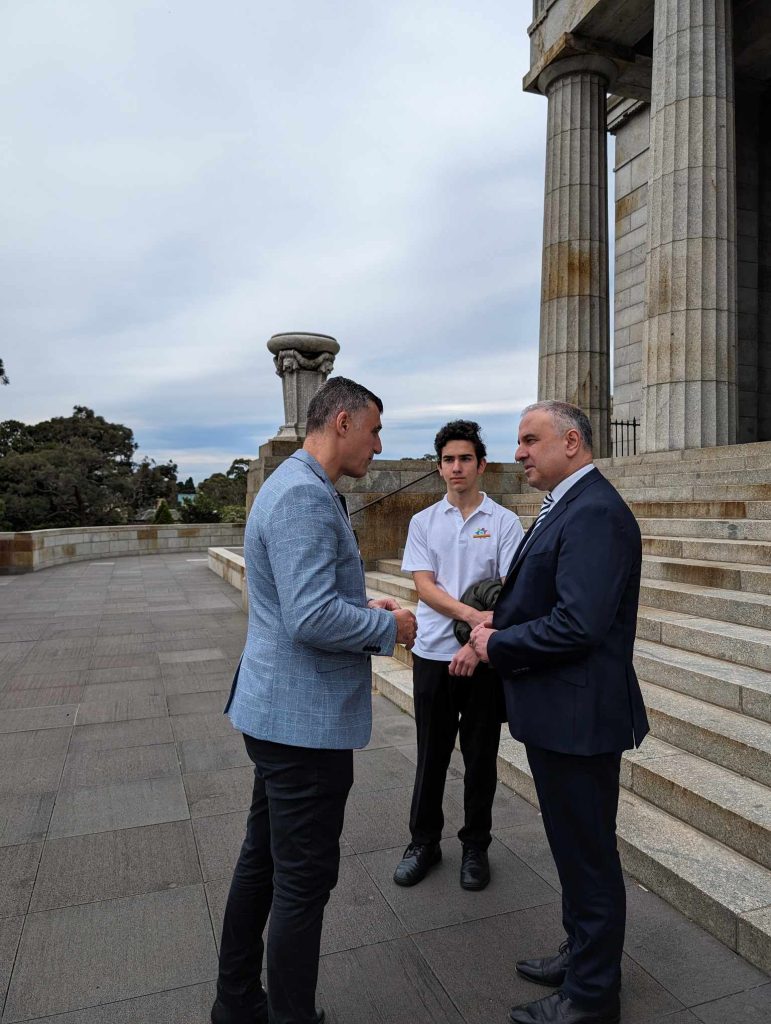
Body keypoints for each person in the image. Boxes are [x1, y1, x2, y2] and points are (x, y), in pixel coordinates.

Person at [211, 377, 417, 1024]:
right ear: (343, 423)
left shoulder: (299, 486)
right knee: (301, 884)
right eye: (375, 430)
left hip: (278, 715)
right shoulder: (302, 494)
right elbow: (308, 619)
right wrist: (390, 628)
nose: (379, 445)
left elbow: (308, 599)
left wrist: (361, 602)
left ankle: (238, 1003)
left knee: (264, 864)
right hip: (301, 727)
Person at [470, 401, 649, 1024]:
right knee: (575, 850)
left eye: (529, 440)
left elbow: (579, 622)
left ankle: (592, 997)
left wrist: (499, 644)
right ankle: (582, 955)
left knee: (589, 856)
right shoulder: (569, 506)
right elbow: (557, 598)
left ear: (571, 442)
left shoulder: (595, 511)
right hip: (561, 715)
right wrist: (506, 618)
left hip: (580, 719)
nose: (517, 452)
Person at [393, 420, 523, 891]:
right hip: (431, 654)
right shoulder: (424, 521)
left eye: (465, 458)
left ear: (481, 464)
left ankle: (475, 846)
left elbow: (510, 593)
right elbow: (424, 586)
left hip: (484, 658)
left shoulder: (504, 522)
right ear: (439, 467)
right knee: (431, 755)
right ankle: (423, 843)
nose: (456, 467)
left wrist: (474, 643)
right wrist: (470, 616)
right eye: (448, 459)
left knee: (481, 756)